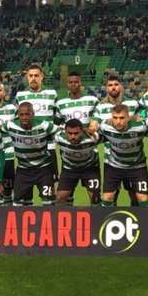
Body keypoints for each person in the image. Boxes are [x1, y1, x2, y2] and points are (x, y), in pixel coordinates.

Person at [89, 75, 141, 207]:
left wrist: (133, 117)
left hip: (132, 160)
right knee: (112, 193)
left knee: (133, 193)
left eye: (116, 84)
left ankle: (135, 220)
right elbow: (93, 125)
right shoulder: (101, 107)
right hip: (110, 159)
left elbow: (144, 117)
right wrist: (93, 130)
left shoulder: (133, 104)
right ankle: (112, 219)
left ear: (121, 87)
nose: (113, 87)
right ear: (106, 88)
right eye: (110, 85)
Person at [54, 70, 99, 206]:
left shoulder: (92, 100)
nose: (73, 84)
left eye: (76, 82)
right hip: (69, 156)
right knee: (64, 196)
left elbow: (98, 119)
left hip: (89, 152)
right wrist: (73, 129)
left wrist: (87, 130)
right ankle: (64, 224)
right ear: (67, 84)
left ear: (81, 83)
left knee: (95, 197)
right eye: (70, 82)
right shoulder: (61, 103)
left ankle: (95, 224)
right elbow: (57, 123)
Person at [15, 64, 58, 202]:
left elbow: (58, 117)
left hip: (48, 147)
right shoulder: (21, 95)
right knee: (26, 192)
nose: (33, 79)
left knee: (51, 188)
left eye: (36, 75)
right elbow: (16, 119)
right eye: (30, 76)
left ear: (42, 76)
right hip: (27, 148)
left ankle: (52, 215)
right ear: (27, 77)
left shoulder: (52, 94)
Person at [2, 102, 57, 207]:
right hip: (23, 170)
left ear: (33, 114)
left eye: (27, 114)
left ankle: (50, 223)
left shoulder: (43, 125)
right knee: (17, 202)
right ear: (18, 115)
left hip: (43, 169)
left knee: (48, 201)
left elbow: (61, 131)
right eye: (21, 114)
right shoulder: (11, 125)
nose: (24, 117)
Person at [98, 104, 148, 207]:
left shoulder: (141, 127)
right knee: (107, 198)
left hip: (137, 167)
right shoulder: (105, 126)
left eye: (121, 118)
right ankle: (105, 221)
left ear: (128, 117)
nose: (118, 121)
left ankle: (146, 222)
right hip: (114, 167)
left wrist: (137, 117)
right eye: (115, 118)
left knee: (143, 198)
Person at [54, 118, 101, 206]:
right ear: (65, 132)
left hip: (90, 168)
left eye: (76, 133)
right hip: (69, 170)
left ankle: (96, 219)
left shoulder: (93, 137)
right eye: (69, 133)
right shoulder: (58, 137)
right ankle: (62, 219)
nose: (72, 137)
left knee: (95, 198)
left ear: (82, 132)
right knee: (60, 198)